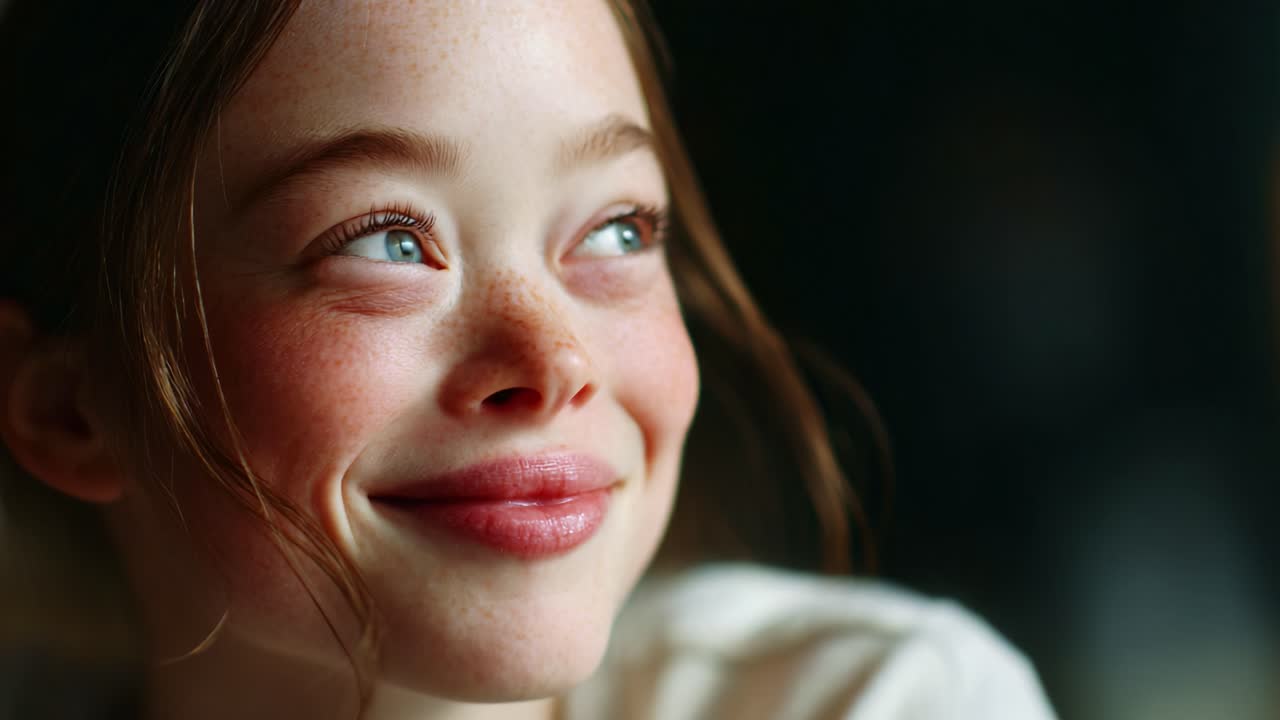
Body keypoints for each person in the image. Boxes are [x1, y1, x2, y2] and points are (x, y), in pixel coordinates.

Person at [0, 1, 1057, 718]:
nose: (553, 361)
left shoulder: (877, 700)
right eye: (384, 240)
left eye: (616, 231)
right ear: (71, 409)